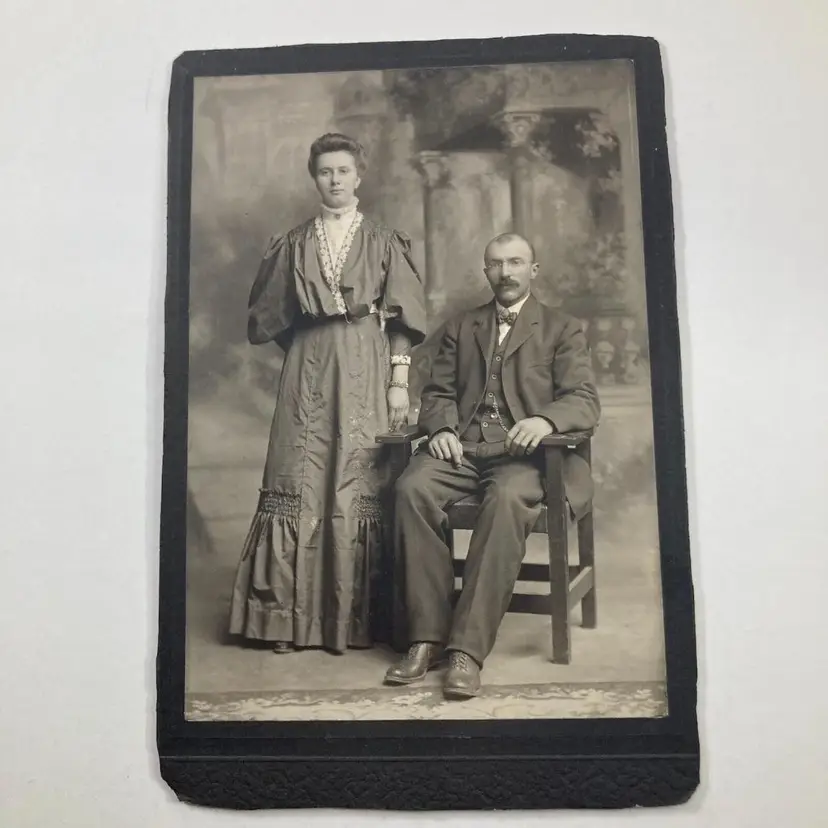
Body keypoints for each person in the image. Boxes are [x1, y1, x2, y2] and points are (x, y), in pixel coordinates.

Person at [228, 133, 428, 655]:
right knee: (301, 479)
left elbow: (404, 319)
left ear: (359, 176)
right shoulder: (293, 243)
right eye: (325, 171)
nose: (335, 180)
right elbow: (267, 316)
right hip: (308, 368)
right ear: (313, 177)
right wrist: (306, 349)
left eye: (343, 170)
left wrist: (399, 379)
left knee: (355, 479)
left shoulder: (385, 240)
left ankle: (354, 618)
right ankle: (287, 621)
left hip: (368, 361)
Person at [383, 233, 600, 698]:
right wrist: (440, 428)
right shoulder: (463, 326)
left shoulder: (562, 328)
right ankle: (425, 637)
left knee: (504, 501)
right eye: (497, 264)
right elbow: (438, 391)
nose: (506, 272)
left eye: (516, 262)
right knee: (411, 489)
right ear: (486, 272)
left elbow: (583, 399)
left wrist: (544, 420)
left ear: (533, 270)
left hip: (525, 460)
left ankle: (466, 651)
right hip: (461, 451)